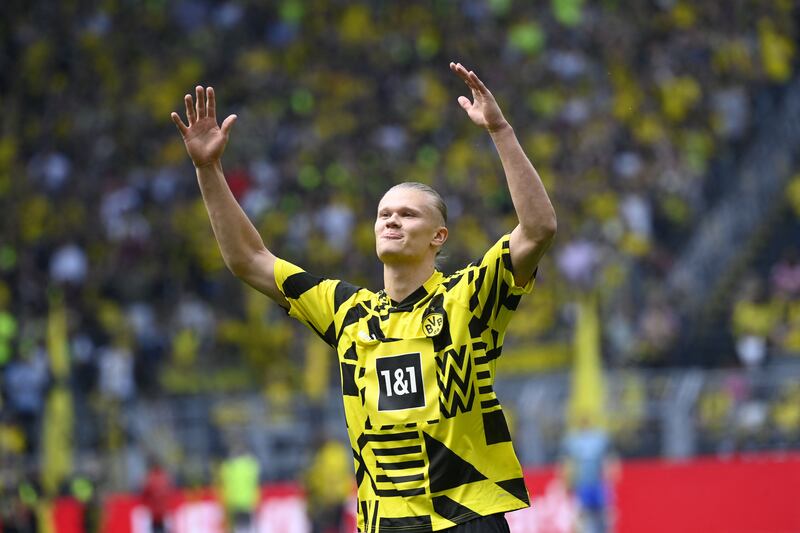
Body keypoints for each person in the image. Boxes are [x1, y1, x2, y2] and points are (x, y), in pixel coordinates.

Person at [171, 61, 556, 532]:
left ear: (439, 236)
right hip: (383, 524)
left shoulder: (469, 297)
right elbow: (248, 259)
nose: (391, 220)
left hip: (466, 517)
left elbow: (538, 229)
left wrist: (500, 130)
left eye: (407, 215)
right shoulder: (347, 311)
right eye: (383, 213)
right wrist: (208, 169)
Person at [559, 415, 620, 533]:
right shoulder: (572, 440)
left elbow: (611, 459)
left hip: (599, 484)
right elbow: (567, 464)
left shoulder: (600, 438)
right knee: (580, 517)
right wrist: (567, 482)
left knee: (605, 517)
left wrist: (611, 479)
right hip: (581, 485)